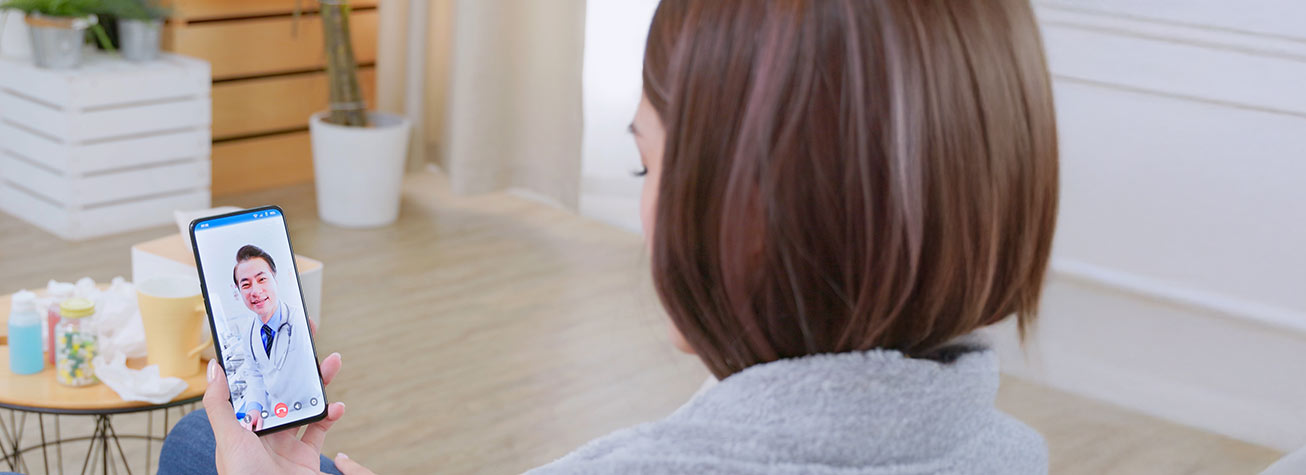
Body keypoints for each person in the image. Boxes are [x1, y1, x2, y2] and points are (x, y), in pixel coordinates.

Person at [160, 0, 1059, 473]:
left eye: (647, 166)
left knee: (202, 445)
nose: (647, 210)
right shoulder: (1015, 454)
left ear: (746, 215)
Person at [223, 244, 317, 432]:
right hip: (273, 417)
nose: (256, 291)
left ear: (275, 279)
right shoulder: (249, 332)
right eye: (246, 284)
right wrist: (253, 409)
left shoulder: (298, 321)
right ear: (238, 291)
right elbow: (255, 374)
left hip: (306, 412)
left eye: (262, 279)